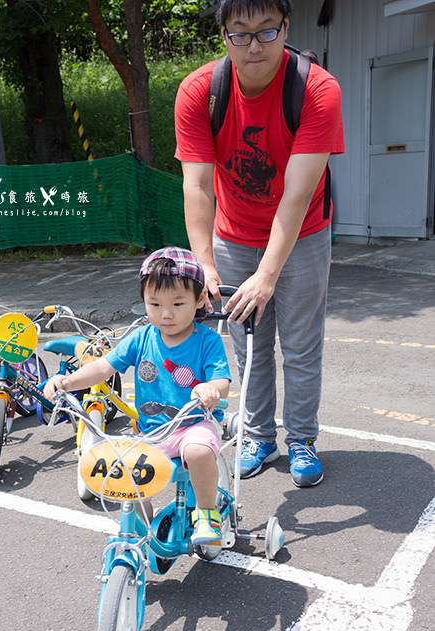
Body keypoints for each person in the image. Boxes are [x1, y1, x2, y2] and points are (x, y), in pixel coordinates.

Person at [174, 0, 344, 487]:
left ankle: (302, 439)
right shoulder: (201, 91)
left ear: (286, 27)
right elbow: (198, 186)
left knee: (300, 343)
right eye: (240, 33)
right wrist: (204, 265)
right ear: (224, 35)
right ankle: (258, 436)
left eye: (267, 31)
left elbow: (296, 195)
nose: (254, 45)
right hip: (232, 234)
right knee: (248, 346)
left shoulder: (315, 89)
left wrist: (268, 275)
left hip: (304, 232)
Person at [44, 246, 231, 553]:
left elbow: (221, 381)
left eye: (178, 303)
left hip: (193, 424)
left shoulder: (207, 340)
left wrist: (211, 388)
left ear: (199, 300)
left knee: (198, 452)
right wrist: (67, 381)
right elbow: (103, 367)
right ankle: (140, 530)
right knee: (125, 472)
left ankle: (207, 514)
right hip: (151, 431)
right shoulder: (142, 337)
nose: (166, 313)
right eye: (154, 303)